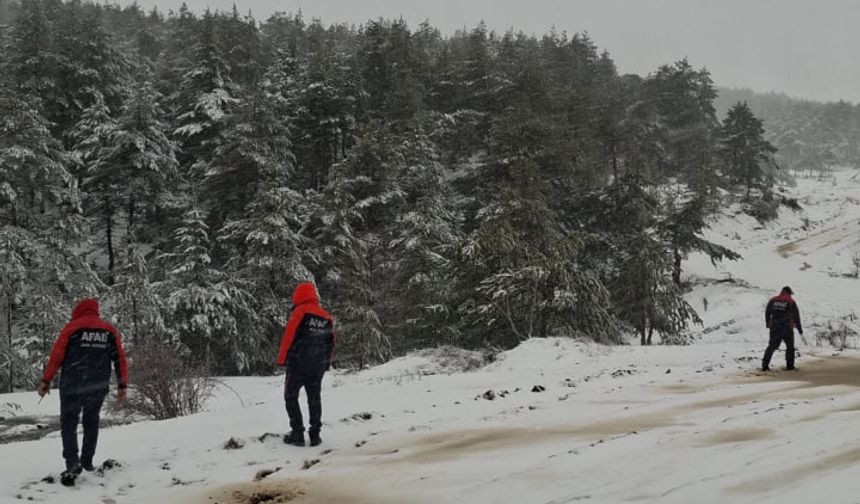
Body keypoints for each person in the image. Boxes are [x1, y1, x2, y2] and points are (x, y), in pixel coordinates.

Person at [37, 299, 128, 478]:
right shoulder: (108, 330)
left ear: (77, 311)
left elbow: (56, 356)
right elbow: (120, 359)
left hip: (73, 384)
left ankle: (72, 463)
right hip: (98, 384)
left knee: (69, 423)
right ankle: (87, 461)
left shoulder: (71, 328)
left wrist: (46, 380)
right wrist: (122, 385)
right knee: (91, 421)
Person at [277, 282, 336, 447]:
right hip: (317, 365)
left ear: (298, 296)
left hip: (298, 363)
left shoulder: (299, 312)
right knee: (314, 398)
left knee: (290, 396)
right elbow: (331, 342)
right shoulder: (326, 317)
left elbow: (288, 336)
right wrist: (326, 363)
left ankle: (297, 433)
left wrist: (282, 359)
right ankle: (315, 434)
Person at [762, 286, 803, 371]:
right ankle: (790, 365)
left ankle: (765, 365)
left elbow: (767, 312)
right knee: (790, 347)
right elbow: (796, 317)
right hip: (787, 328)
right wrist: (800, 329)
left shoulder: (773, 300)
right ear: (789, 293)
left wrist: (768, 323)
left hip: (775, 327)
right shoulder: (791, 301)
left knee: (772, 346)